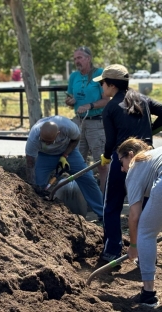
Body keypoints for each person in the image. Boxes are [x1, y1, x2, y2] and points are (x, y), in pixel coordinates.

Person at [93, 64, 162, 262]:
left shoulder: (111, 108)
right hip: (149, 160)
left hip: (123, 160)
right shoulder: (142, 99)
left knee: (112, 206)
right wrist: (150, 129)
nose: (102, 87)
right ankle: (145, 253)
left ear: (111, 85)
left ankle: (112, 251)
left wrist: (106, 157)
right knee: (146, 208)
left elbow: (111, 141)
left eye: (103, 84)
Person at [25, 115, 103, 220]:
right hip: (45, 156)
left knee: (87, 179)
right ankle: (39, 214)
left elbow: (76, 139)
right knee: (38, 184)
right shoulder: (33, 138)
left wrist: (65, 155)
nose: (46, 143)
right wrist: (31, 184)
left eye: (49, 141)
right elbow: (30, 164)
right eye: (43, 141)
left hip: (68, 153)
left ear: (58, 134)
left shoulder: (68, 126)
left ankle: (103, 213)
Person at [117, 138, 162, 307]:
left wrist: (134, 245)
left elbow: (134, 216)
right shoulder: (155, 155)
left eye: (121, 162)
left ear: (130, 154)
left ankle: (148, 294)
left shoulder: (135, 166)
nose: (122, 169)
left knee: (146, 232)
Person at [65, 46, 110, 193]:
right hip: (79, 123)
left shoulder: (100, 74)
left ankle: (105, 199)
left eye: (80, 58)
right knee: (78, 163)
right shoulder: (74, 77)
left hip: (97, 123)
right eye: (75, 58)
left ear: (88, 58)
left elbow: (107, 100)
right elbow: (69, 96)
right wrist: (69, 101)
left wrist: (89, 105)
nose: (76, 61)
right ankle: (83, 198)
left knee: (102, 163)